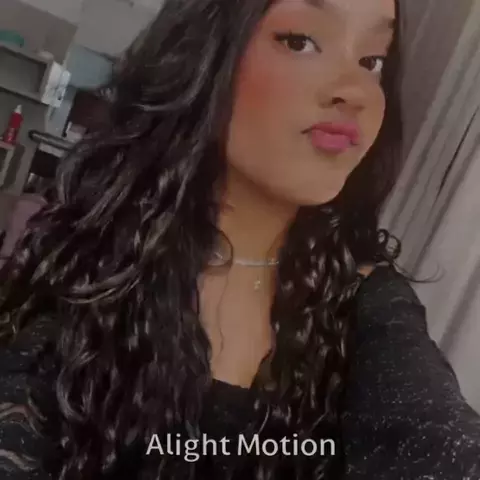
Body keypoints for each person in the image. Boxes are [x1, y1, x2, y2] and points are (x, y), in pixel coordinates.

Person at [0, 0, 479, 479]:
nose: (356, 92)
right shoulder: (91, 261)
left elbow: (437, 439)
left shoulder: (369, 301)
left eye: (372, 60)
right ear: (205, 56)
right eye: (300, 41)